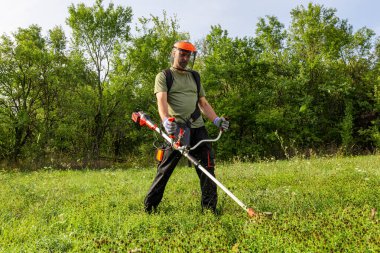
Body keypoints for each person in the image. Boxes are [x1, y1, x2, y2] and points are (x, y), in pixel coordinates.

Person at [144, 41, 229, 214]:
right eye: (182, 54)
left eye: (188, 55)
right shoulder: (164, 76)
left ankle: (209, 210)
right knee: (166, 169)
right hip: (177, 129)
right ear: (173, 53)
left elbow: (203, 103)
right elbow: (161, 102)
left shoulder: (195, 76)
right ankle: (150, 207)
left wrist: (216, 120)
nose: (185, 58)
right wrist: (166, 120)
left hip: (198, 127)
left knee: (207, 167)